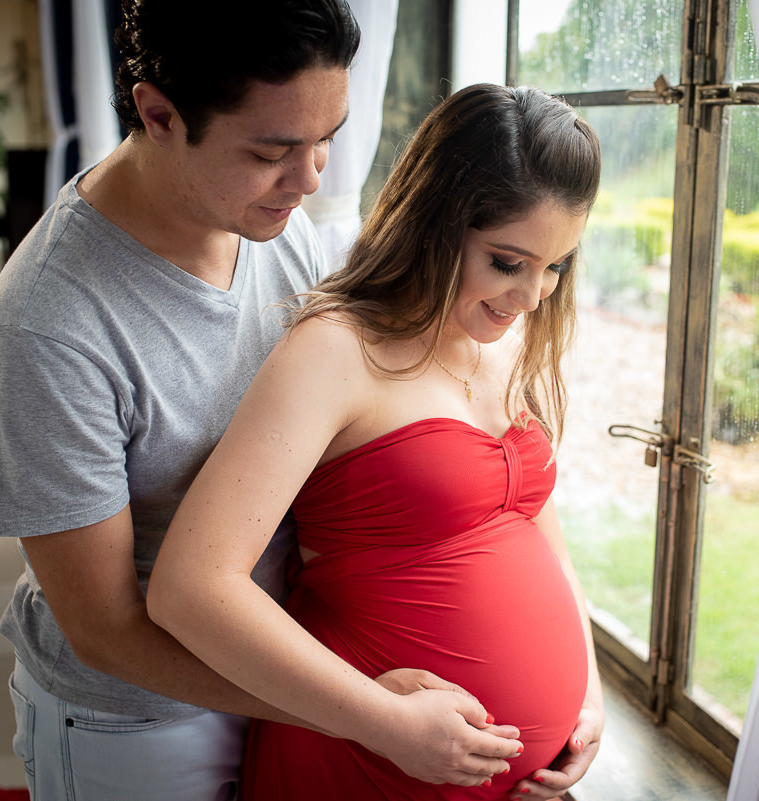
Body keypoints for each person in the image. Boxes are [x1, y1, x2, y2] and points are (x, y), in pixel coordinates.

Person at [0, 2, 525, 799]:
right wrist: (361, 712)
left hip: (292, 675)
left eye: (326, 139)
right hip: (140, 722)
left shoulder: (277, 226)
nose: (308, 180)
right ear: (159, 113)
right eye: (272, 151)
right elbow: (105, 629)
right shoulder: (46, 329)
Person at [147, 83, 606, 800]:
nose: (532, 296)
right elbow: (190, 588)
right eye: (508, 262)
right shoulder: (335, 350)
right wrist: (384, 722)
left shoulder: (503, 345)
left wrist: (587, 695)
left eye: (557, 265)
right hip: (370, 763)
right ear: (434, 223)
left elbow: (539, 530)